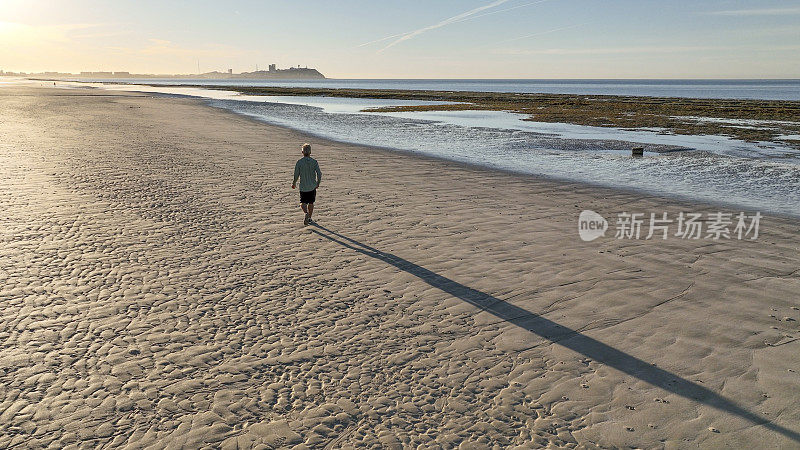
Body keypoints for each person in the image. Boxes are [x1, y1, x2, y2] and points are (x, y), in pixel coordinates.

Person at [292, 143, 322, 226]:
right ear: (310, 152)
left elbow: (296, 174)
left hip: (303, 187)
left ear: (302, 152)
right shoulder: (314, 162)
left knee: (303, 202)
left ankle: (306, 213)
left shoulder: (299, 162)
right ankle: (309, 217)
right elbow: (319, 174)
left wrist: (294, 183)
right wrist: (318, 183)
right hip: (312, 186)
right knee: (311, 203)